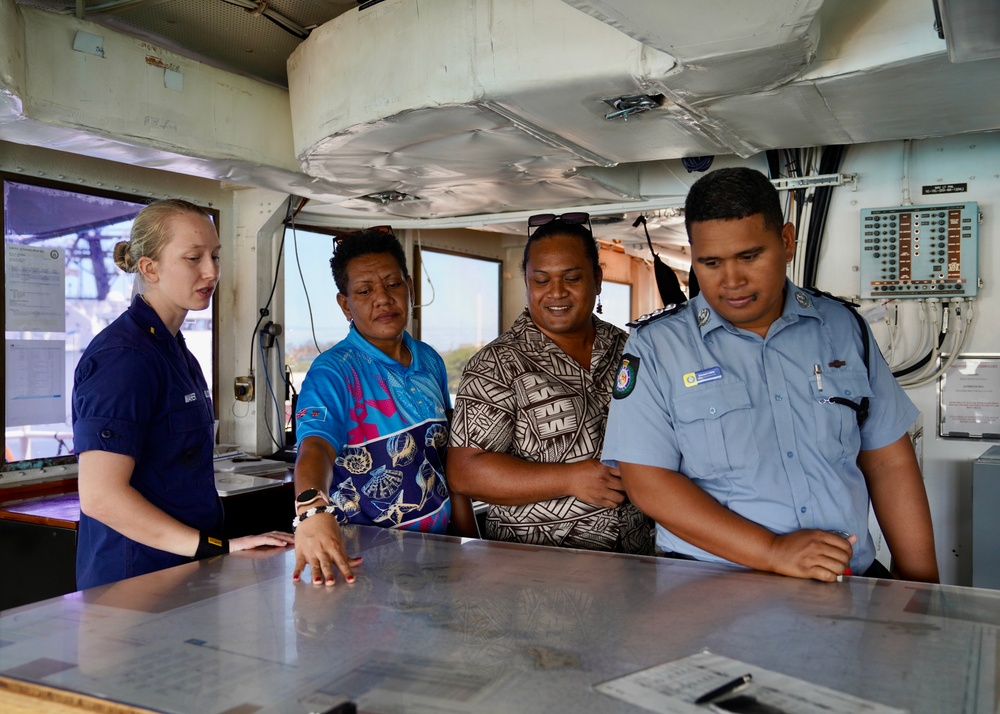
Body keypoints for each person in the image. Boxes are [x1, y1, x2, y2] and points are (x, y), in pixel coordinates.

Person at [602, 167, 939, 582]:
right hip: (714, 590)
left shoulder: (843, 328)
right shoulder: (657, 346)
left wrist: (921, 588)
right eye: (711, 263)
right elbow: (648, 482)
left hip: (846, 582)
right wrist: (773, 551)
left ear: (786, 241)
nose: (732, 281)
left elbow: (889, 461)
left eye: (749, 256)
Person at [73, 199, 293, 590]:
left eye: (215, 256)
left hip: (182, 573)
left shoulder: (174, 350)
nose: (211, 271)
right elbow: (100, 496)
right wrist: (215, 548)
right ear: (149, 268)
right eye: (193, 258)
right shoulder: (125, 358)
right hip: (135, 582)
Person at [447, 213, 653, 554]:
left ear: (598, 279)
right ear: (526, 282)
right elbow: (465, 472)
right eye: (540, 281)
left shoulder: (630, 350)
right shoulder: (497, 365)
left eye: (571, 277)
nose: (556, 292)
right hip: (537, 574)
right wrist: (571, 479)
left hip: (637, 557)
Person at [292, 227, 478, 586]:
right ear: (345, 303)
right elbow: (314, 449)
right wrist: (312, 511)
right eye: (364, 291)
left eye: (393, 285)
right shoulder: (333, 372)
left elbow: (447, 458)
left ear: (409, 287)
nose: (383, 299)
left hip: (438, 554)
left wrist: (470, 543)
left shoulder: (429, 360)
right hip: (365, 565)